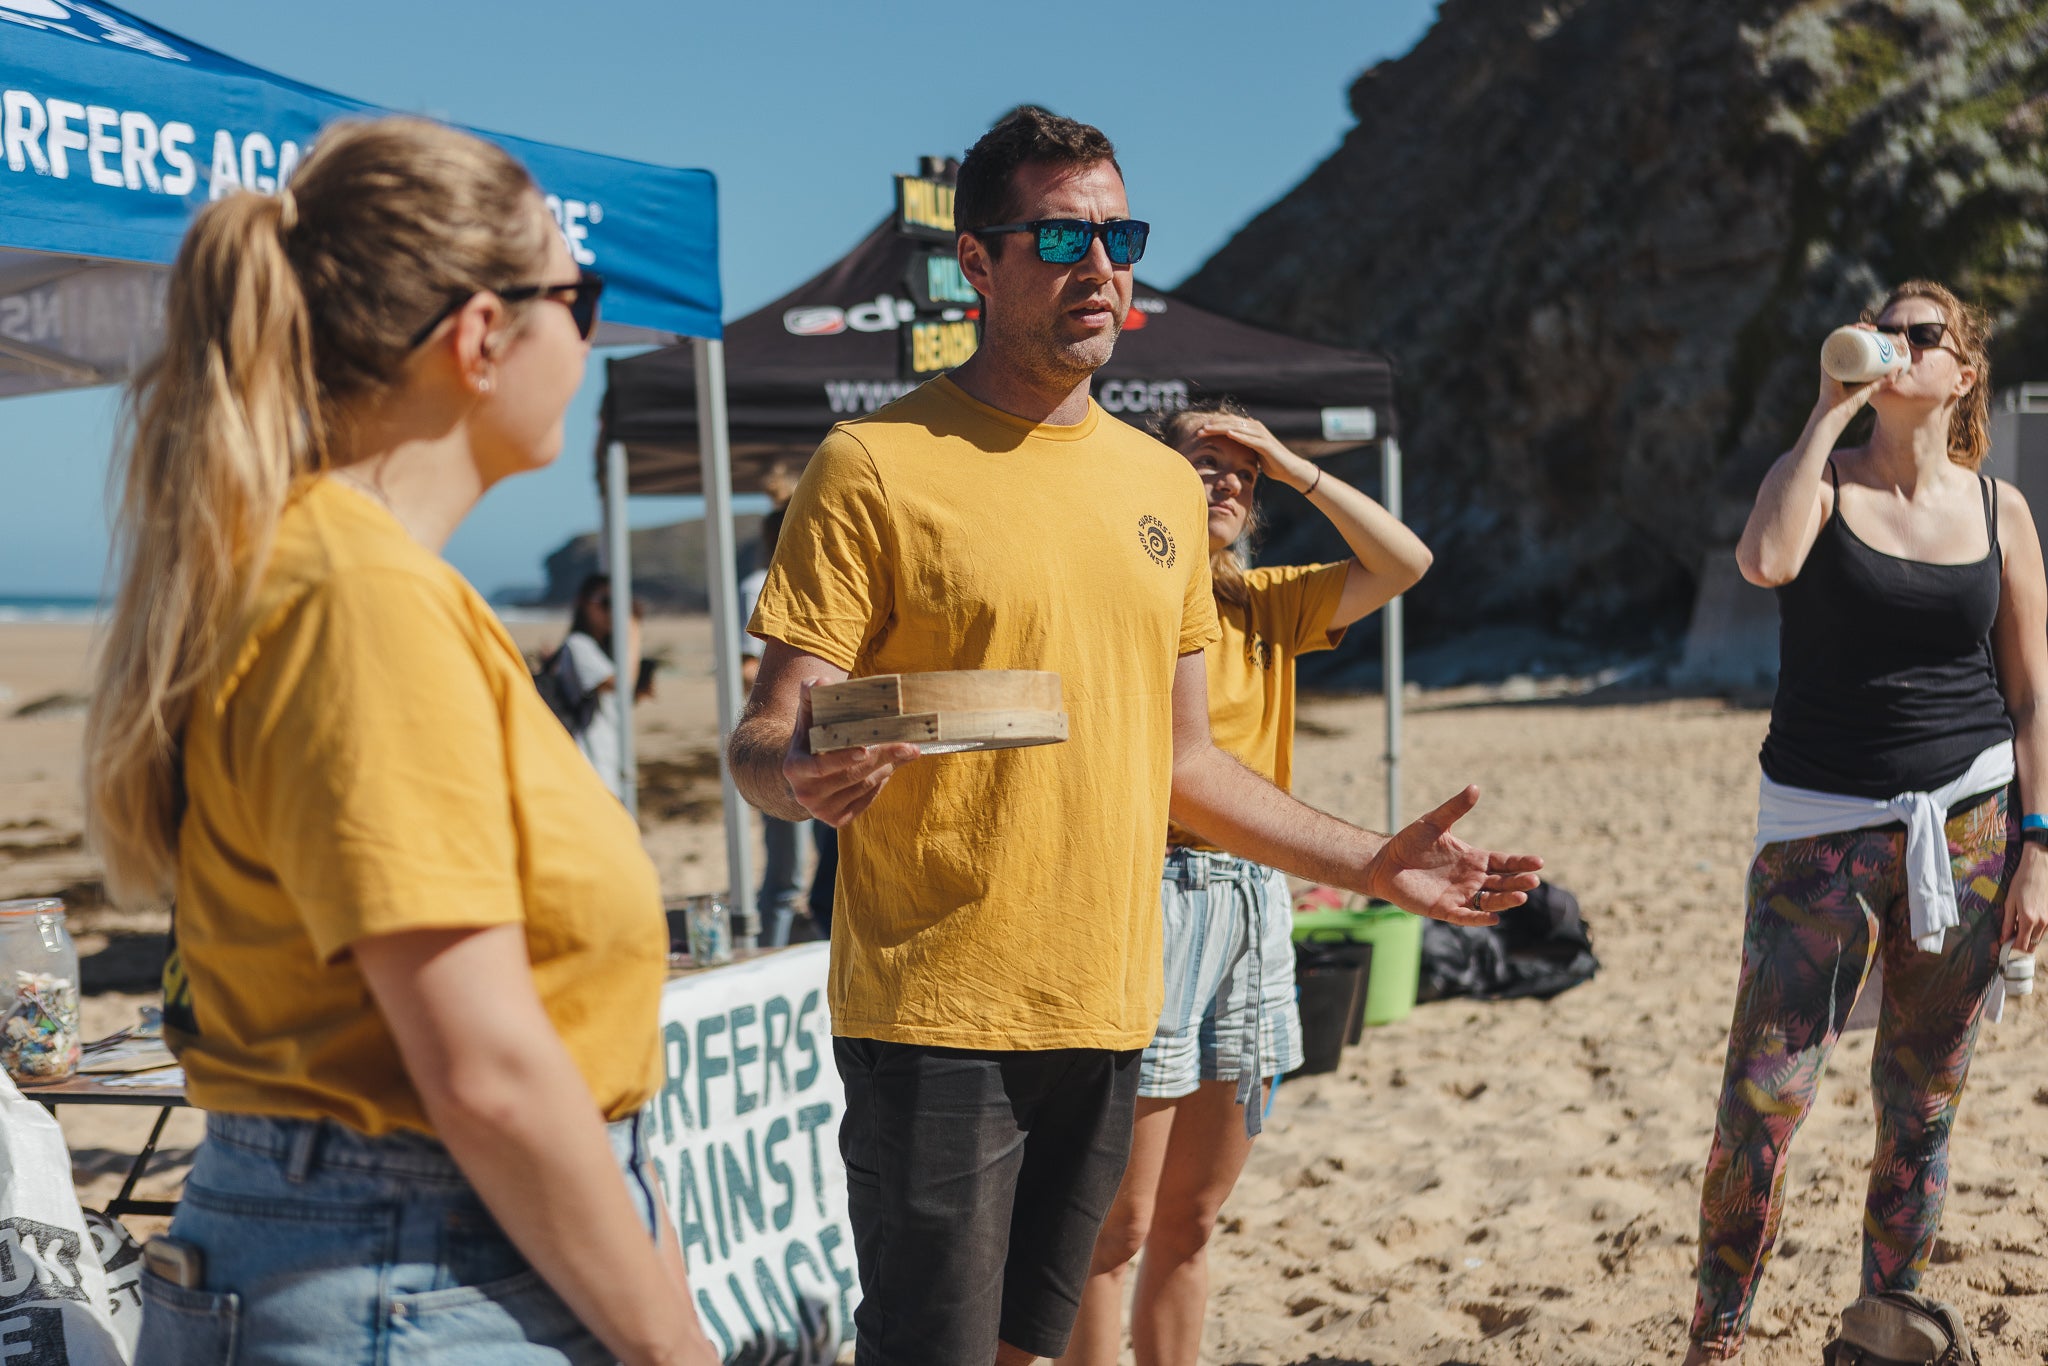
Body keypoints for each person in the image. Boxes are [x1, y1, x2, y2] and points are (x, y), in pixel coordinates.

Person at [729, 105, 1542, 1366]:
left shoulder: (1160, 489)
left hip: (1113, 1002)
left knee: (1037, 1351)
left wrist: (1369, 861)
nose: (1100, 264)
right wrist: (796, 775)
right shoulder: (875, 465)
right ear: (977, 265)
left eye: (1119, 235)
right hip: (935, 1015)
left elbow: (1188, 767)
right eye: (1060, 237)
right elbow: (761, 736)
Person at [82, 117, 717, 1366]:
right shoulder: (356, 596)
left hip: (426, 1259)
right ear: (482, 336)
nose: (587, 338)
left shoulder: (355, 577)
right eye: (574, 298)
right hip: (410, 1272)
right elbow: (481, 1064)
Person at [1684, 281, 2048, 1364]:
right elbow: (1765, 561)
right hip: (1817, 835)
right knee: (1761, 1102)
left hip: (1971, 831)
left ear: (1961, 370)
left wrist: (2038, 846)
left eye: (1917, 334)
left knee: (1919, 1104)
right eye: (1880, 327)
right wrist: (1826, 409)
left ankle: (1886, 1332)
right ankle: (1713, 1339)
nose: (1894, 344)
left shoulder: (1999, 510)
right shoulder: (1818, 481)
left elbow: (2031, 694)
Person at [1060, 400, 1434, 1366]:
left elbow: (1405, 561)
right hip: (1149, 897)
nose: (1229, 480)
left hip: (1254, 903)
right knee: (1117, 1226)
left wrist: (1290, 461)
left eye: (1245, 474)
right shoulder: (1116, 597)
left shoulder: (1263, 602)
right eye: (1203, 461)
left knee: (1192, 1218)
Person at [740, 509, 817, 944]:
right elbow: (748, 667)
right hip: (781, 736)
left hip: (824, 734)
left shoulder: (818, 578)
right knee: (787, 869)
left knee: (815, 865)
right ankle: (771, 946)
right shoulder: (760, 585)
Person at [552, 572, 647, 804]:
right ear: (583, 604)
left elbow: (619, 697)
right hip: (591, 759)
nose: (612, 612)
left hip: (608, 756)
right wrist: (633, 631)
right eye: (606, 603)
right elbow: (619, 684)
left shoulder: (601, 650)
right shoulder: (578, 645)